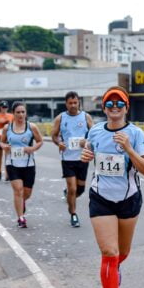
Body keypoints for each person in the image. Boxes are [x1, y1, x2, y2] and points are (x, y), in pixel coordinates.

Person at [80, 86, 144, 288]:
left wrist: (129, 148)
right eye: (109, 104)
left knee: (122, 252)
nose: (114, 108)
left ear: (126, 107)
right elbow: (89, 151)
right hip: (101, 198)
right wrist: (86, 155)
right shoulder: (96, 131)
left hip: (129, 198)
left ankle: (116, 268)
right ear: (104, 108)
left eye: (119, 104)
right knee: (109, 252)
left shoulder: (136, 133)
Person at [51, 91, 94, 227]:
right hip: (67, 159)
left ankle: (69, 194)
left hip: (82, 158)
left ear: (79, 102)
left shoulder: (86, 117)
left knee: (80, 190)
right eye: (70, 103)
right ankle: (73, 214)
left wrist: (86, 142)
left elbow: (94, 135)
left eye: (75, 102)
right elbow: (54, 135)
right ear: (66, 104)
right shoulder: (60, 118)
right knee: (72, 188)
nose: (73, 105)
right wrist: (59, 143)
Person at [0, 102, 43, 228]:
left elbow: (40, 141)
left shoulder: (31, 127)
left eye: (23, 112)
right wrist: (5, 146)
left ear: (26, 113)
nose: (21, 114)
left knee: (26, 193)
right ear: (13, 113)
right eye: (18, 112)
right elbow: (1, 142)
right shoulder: (8, 128)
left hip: (28, 164)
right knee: (18, 191)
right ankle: (21, 218)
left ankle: (21, 203)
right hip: (12, 163)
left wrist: (32, 148)